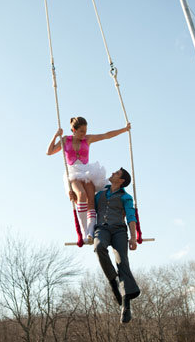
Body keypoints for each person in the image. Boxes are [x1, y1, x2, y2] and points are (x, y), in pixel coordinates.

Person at [70, 168, 140, 324]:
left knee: (122, 261)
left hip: (119, 230)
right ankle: (114, 282)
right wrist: (75, 199)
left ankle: (126, 304)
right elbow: (89, 207)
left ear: (121, 181)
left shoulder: (125, 197)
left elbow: (131, 217)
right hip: (102, 228)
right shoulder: (100, 194)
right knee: (99, 246)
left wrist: (133, 238)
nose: (113, 173)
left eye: (117, 174)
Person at [47, 117, 131, 243]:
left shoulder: (88, 139)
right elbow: (50, 152)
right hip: (73, 172)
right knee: (81, 194)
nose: (84, 134)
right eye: (81, 131)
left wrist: (124, 129)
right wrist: (56, 135)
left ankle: (91, 232)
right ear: (74, 130)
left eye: (85, 131)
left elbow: (106, 135)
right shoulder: (66, 140)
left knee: (91, 199)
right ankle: (85, 231)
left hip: (87, 171)